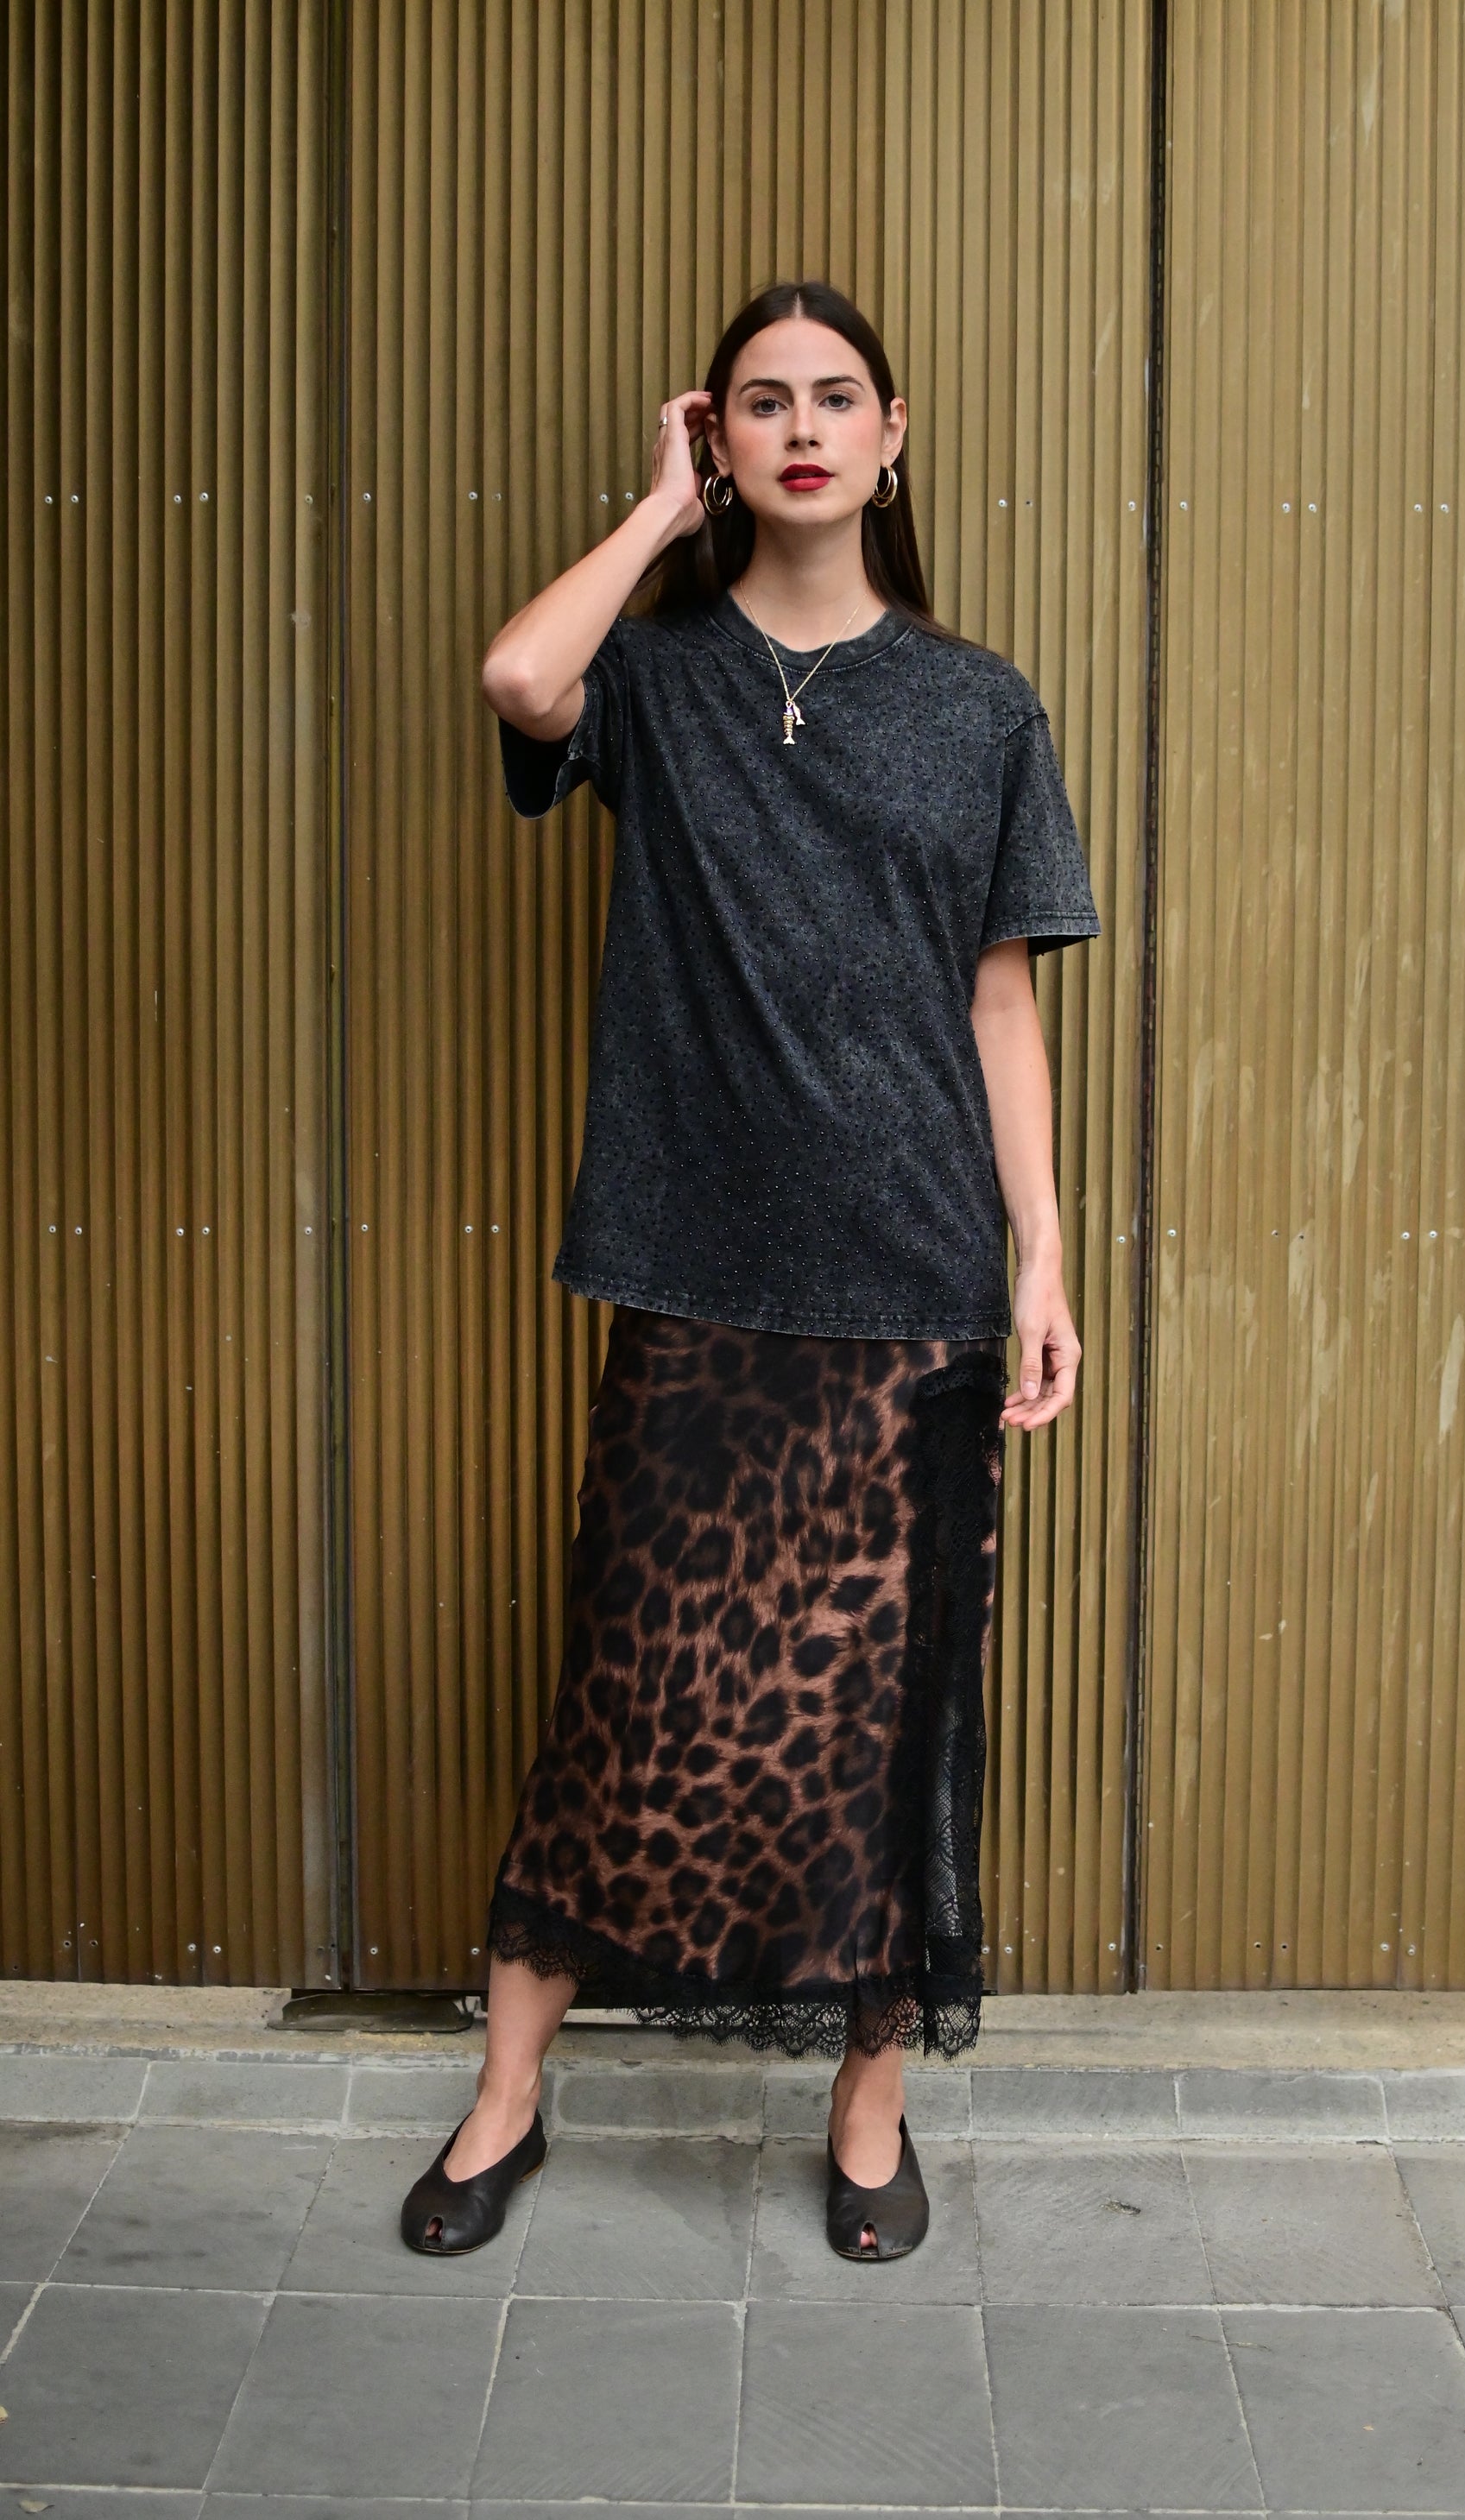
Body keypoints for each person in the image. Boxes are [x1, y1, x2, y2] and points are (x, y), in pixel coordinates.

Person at [401, 278, 1099, 2264]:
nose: (803, 427)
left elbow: (1000, 1003)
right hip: (697, 1278)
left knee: (886, 1719)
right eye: (761, 403)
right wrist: (657, 508)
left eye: (835, 397)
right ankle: (508, 2092)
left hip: (910, 1293)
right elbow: (517, 676)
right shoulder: (661, 676)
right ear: (722, 437)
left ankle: (869, 2110)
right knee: (625, 1694)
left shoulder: (978, 705)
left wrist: (1041, 1257)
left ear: (893, 436)